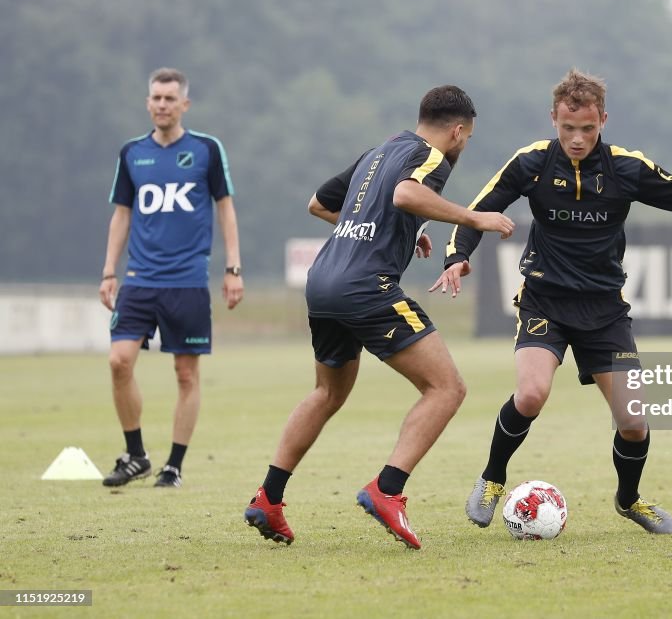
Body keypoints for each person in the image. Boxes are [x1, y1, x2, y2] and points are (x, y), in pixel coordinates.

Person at [434, 68, 672, 535]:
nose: (577, 139)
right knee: (531, 394)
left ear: (604, 121)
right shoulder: (532, 162)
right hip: (545, 301)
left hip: (604, 311)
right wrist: (458, 256)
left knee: (634, 421)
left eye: (588, 129)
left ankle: (629, 499)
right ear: (553, 118)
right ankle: (493, 478)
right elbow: (479, 209)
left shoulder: (626, 168)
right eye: (568, 128)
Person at [243, 85, 514, 549]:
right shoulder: (434, 158)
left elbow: (320, 203)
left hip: (323, 280)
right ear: (458, 130)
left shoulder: (379, 151)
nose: (463, 146)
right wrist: (474, 218)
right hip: (365, 287)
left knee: (327, 393)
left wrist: (402, 234)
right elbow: (407, 195)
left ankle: (269, 497)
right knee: (447, 388)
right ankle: (387, 489)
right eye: (466, 138)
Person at [99, 67, 244, 489]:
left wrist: (232, 268)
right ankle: (136, 455)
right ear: (148, 103)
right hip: (140, 279)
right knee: (118, 360)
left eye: (169, 98)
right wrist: (109, 271)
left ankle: (174, 465)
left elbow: (226, 208)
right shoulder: (131, 153)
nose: (162, 105)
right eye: (156, 98)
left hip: (187, 282)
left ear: (184, 104)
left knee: (185, 374)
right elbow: (121, 215)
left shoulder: (206, 150)